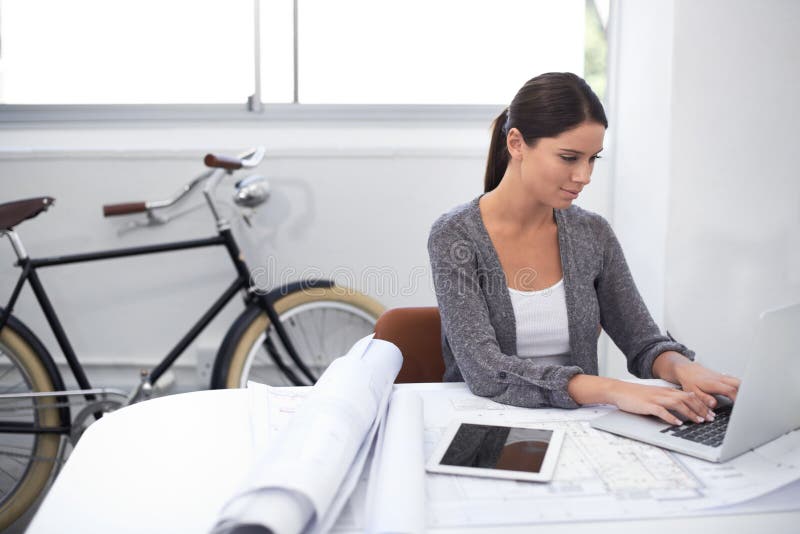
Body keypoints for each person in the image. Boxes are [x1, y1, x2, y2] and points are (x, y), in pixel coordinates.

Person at [427, 72, 740, 425]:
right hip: (485, 422)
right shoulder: (455, 236)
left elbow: (642, 342)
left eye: (593, 159)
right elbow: (485, 371)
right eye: (569, 157)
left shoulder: (593, 234)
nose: (584, 175)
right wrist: (613, 389)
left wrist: (685, 369)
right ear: (516, 144)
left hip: (578, 425)